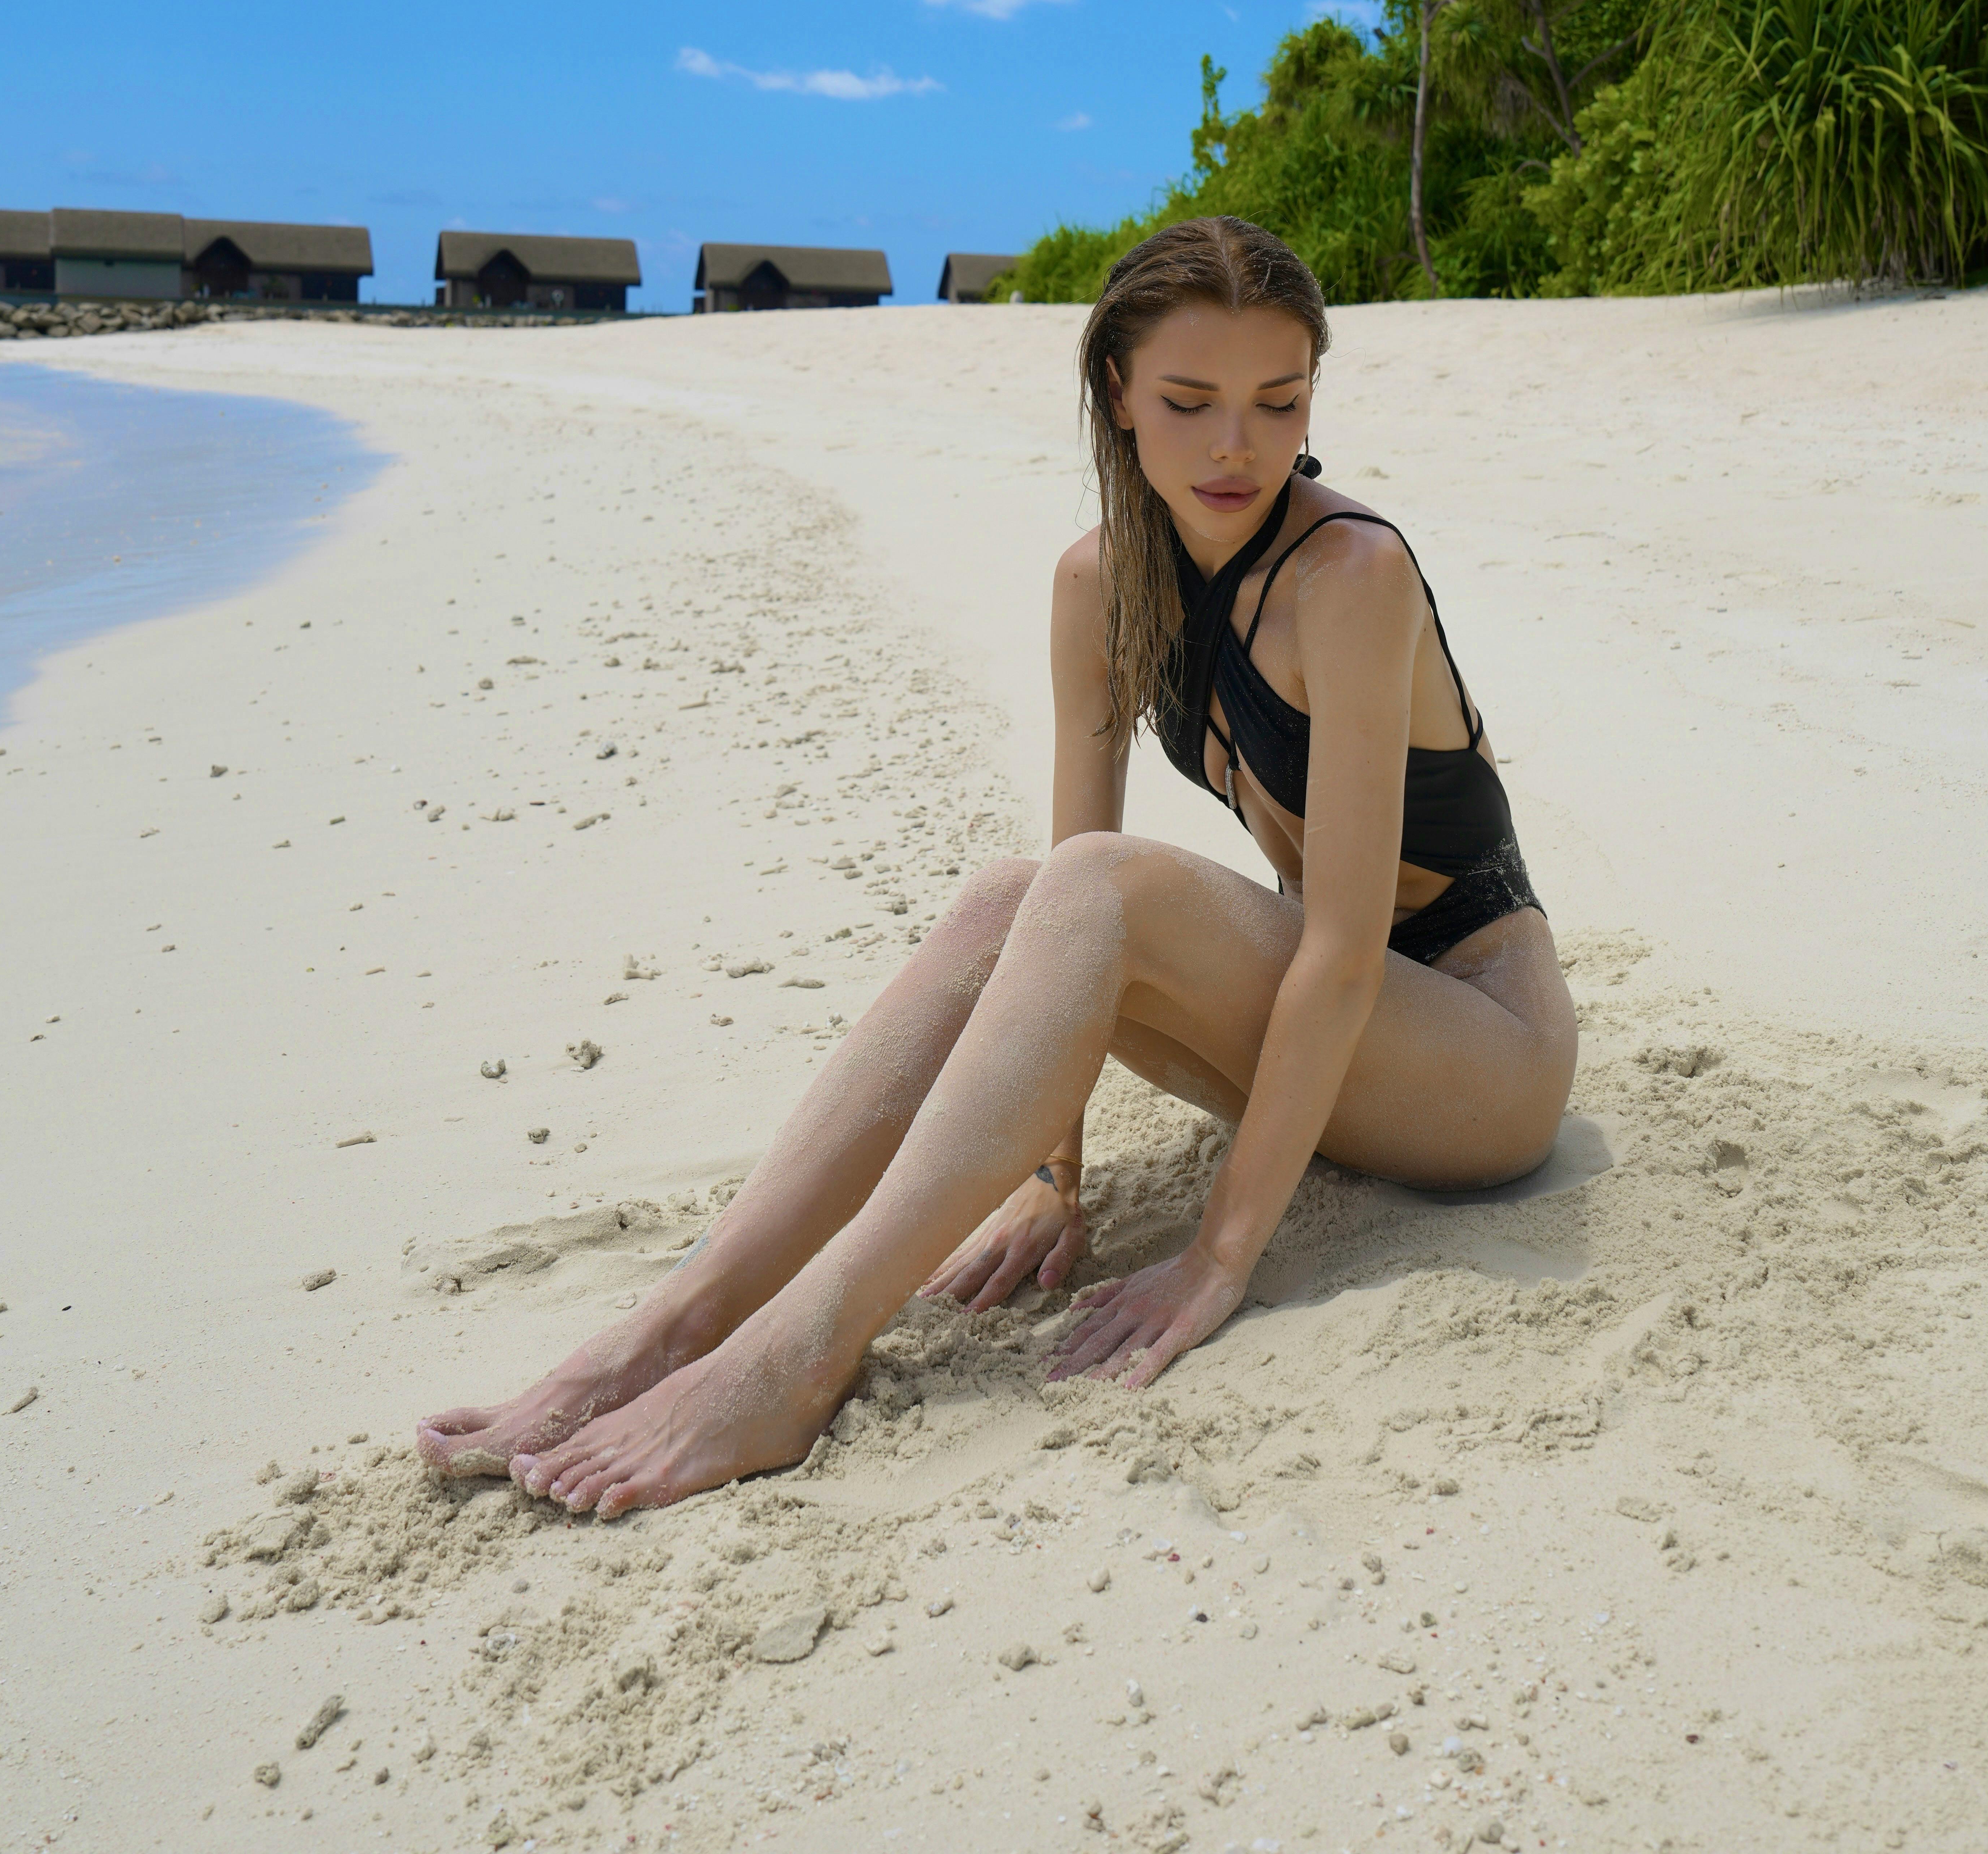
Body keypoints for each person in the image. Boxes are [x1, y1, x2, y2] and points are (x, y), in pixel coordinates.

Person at [418, 216, 1576, 1519]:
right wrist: (1048, 1178)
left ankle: (795, 1362)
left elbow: (1344, 947)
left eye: (1278, 401)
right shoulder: (1100, 585)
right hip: (1334, 1059)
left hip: (1477, 1053)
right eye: (1189, 403)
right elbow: (1067, 895)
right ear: (1119, 399)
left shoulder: (1349, 575)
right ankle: (673, 1327)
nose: (1236, 446)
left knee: (1092, 882)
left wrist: (1218, 1256)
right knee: (1010, 893)